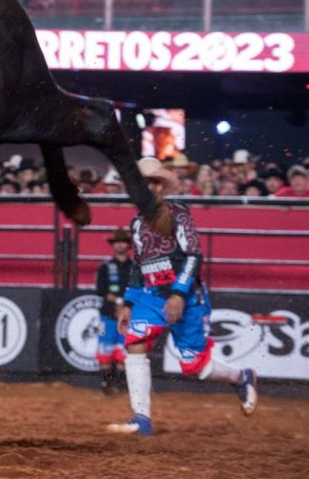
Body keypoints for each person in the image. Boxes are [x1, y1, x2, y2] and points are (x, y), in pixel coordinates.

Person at [108, 158, 258, 436]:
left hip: (187, 296)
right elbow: (138, 265)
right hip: (152, 295)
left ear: (160, 186)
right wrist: (128, 302)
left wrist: (178, 293)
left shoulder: (178, 213)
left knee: (195, 368)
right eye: (143, 183)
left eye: (153, 182)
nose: (149, 188)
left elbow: (194, 255)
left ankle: (241, 377)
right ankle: (142, 419)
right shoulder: (137, 223)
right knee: (135, 344)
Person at [95, 227, 134, 395]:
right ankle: (106, 384)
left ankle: (121, 384)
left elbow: (139, 289)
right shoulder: (106, 266)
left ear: (128, 245)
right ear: (113, 245)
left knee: (124, 351)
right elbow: (100, 290)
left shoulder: (134, 267)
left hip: (129, 316)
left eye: (122, 242)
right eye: (117, 242)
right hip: (107, 315)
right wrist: (118, 301)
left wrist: (126, 304)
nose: (119, 245)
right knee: (105, 349)